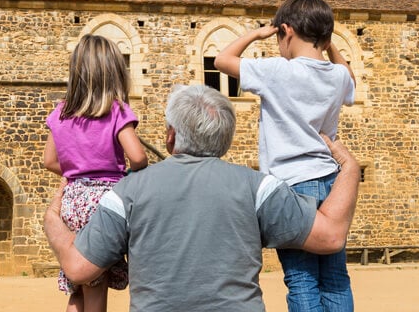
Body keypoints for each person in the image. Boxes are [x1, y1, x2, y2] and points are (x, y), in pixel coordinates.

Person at [44, 84, 360, 312]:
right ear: (225, 139)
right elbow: (330, 236)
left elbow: (78, 269)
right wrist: (349, 168)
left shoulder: (127, 192)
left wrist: (53, 226)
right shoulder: (257, 188)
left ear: (170, 136)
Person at [214, 0, 357, 312]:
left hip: (292, 187)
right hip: (331, 183)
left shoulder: (277, 71)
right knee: (335, 278)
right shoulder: (337, 77)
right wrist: (328, 43)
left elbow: (221, 60)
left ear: (286, 31)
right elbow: (350, 78)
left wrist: (256, 33)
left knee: (302, 279)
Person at [43, 34, 148, 312]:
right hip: (103, 203)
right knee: (96, 282)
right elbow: (138, 157)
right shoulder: (116, 110)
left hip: (72, 200)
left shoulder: (61, 112)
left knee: (78, 281)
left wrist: (76, 173)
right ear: (114, 72)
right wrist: (127, 173)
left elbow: (49, 160)